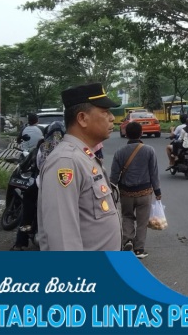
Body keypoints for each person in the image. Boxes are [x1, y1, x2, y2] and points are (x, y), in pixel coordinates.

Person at [37, 83, 121, 250]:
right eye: (105, 112)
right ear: (82, 118)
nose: (112, 118)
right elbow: (63, 240)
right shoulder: (66, 161)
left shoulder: (84, 156)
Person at [11, 121, 66, 251]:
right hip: (65, 187)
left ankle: (20, 242)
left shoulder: (42, 146)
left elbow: (39, 166)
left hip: (43, 185)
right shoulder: (69, 147)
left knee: (27, 206)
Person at [110, 121, 161, 259]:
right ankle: (139, 249)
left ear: (126, 134)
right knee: (142, 221)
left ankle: (127, 241)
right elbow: (153, 173)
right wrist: (157, 191)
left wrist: (111, 192)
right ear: (141, 133)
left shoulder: (119, 152)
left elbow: (114, 176)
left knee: (127, 217)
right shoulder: (149, 150)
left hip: (126, 193)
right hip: (144, 192)